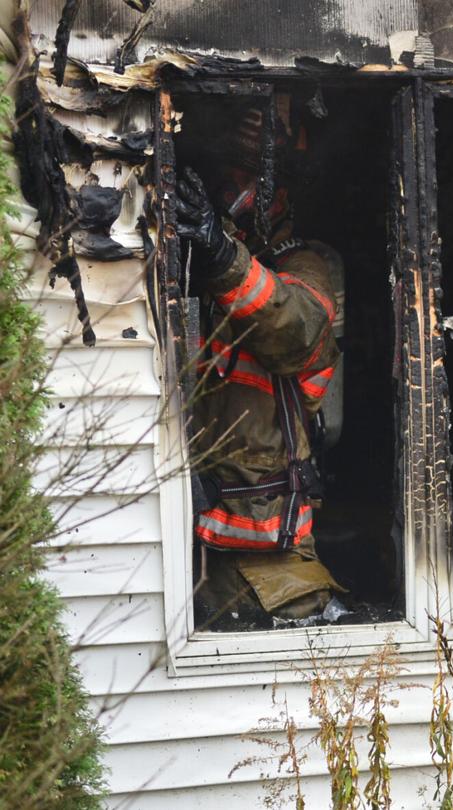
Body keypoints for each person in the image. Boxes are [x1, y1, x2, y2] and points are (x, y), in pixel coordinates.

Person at [179, 135, 345, 623]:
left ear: (279, 195)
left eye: (242, 182)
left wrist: (222, 256)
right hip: (195, 545)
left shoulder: (302, 267)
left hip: (271, 560)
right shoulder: (204, 269)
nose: (228, 192)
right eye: (224, 181)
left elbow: (298, 332)